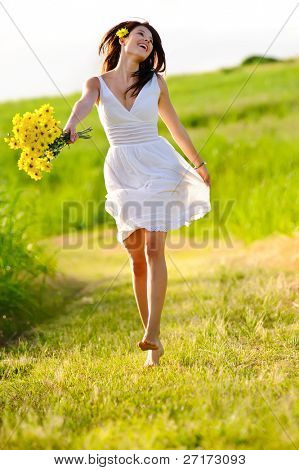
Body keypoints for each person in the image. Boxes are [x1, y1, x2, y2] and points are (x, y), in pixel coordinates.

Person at [63, 20, 211, 367]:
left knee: (153, 246)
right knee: (135, 255)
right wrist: (70, 125)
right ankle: (153, 343)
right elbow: (83, 105)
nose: (146, 41)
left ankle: (153, 334)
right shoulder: (96, 84)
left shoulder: (155, 83)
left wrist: (199, 163)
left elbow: (175, 126)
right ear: (122, 39)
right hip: (121, 168)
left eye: (151, 39)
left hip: (158, 163)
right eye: (140, 35)